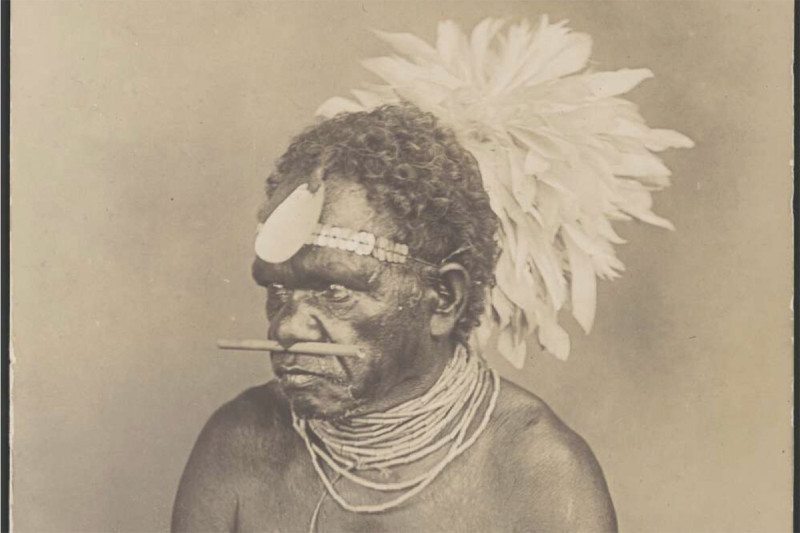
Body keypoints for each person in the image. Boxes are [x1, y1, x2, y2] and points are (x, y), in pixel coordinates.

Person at [173, 17, 690, 532]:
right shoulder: (239, 442)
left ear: (443, 297)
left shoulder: (540, 473)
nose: (287, 328)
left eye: (335, 290)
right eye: (278, 289)